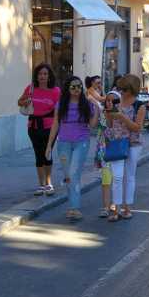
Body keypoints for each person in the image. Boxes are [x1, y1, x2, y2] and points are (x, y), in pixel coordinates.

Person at [44, 76, 99, 221]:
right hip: (63, 143)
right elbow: (55, 124)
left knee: (74, 174)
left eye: (79, 86)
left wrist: (97, 110)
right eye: (73, 87)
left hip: (81, 142)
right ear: (67, 88)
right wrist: (49, 145)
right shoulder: (61, 104)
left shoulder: (87, 104)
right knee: (68, 175)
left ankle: (74, 208)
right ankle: (72, 206)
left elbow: (92, 125)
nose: (77, 89)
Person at [101, 75, 146, 221]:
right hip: (117, 142)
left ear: (132, 90)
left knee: (129, 176)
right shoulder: (115, 100)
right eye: (121, 88)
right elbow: (109, 124)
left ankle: (127, 207)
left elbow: (137, 128)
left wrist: (121, 117)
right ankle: (116, 208)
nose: (121, 91)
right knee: (117, 176)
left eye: (125, 89)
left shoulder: (140, 106)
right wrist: (108, 114)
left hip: (133, 143)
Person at [17, 64, 61, 196]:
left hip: (50, 127)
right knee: (38, 154)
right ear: (36, 76)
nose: (42, 76)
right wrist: (24, 102)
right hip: (33, 126)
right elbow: (19, 102)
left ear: (49, 76)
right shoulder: (30, 88)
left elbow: (59, 110)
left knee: (47, 153)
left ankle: (49, 183)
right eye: (40, 74)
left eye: (45, 74)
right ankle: (41, 185)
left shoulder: (56, 91)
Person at [85, 76, 112, 219]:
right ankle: (106, 206)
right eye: (98, 83)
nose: (100, 85)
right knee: (106, 176)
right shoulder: (91, 93)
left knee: (115, 177)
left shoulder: (117, 112)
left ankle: (114, 205)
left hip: (113, 145)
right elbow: (93, 125)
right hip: (104, 144)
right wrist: (98, 108)